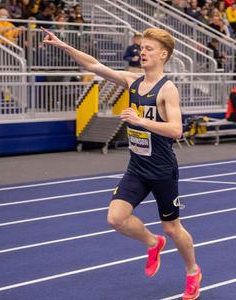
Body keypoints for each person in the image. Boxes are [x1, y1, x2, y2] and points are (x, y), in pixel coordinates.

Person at [41, 27, 202, 299]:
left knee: (172, 227)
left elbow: (176, 130)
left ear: (163, 54)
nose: (143, 52)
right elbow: (94, 64)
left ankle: (192, 271)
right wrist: (63, 45)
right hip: (137, 167)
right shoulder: (132, 82)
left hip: (162, 169)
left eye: (149, 48)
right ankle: (153, 243)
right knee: (115, 218)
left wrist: (141, 121)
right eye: (141, 48)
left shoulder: (168, 89)